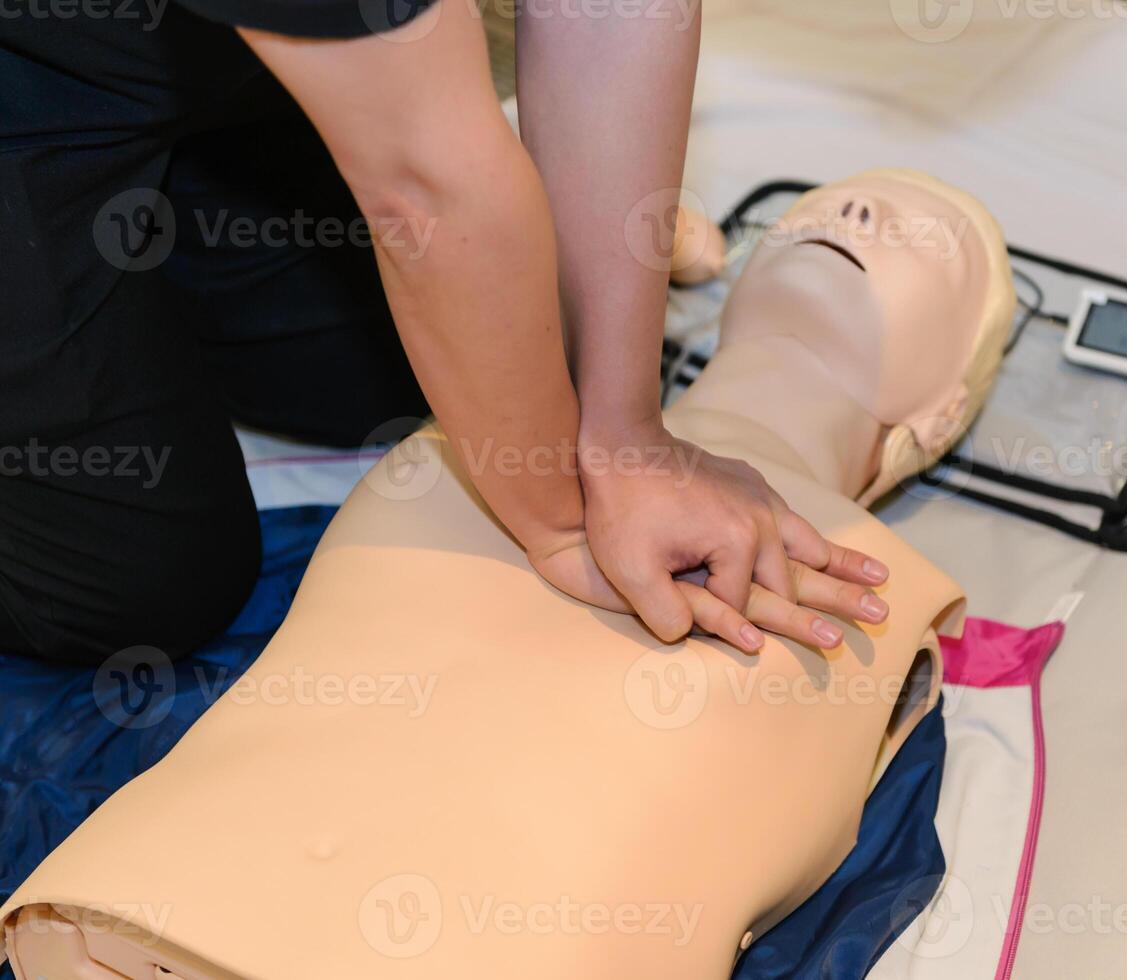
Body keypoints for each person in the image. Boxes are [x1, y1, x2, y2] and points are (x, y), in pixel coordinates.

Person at [0, 169, 1017, 980]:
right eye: (819, 206)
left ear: (940, 410)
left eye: (925, 236)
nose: (858, 205)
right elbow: (437, 164)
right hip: (139, 907)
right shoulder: (503, 422)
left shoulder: (877, 592)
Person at [0, 0, 886, 665]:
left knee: (482, 365)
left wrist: (622, 433)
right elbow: (424, 185)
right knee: (142, 587)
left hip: (187, 50)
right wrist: (564, 527)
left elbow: (606, 16)